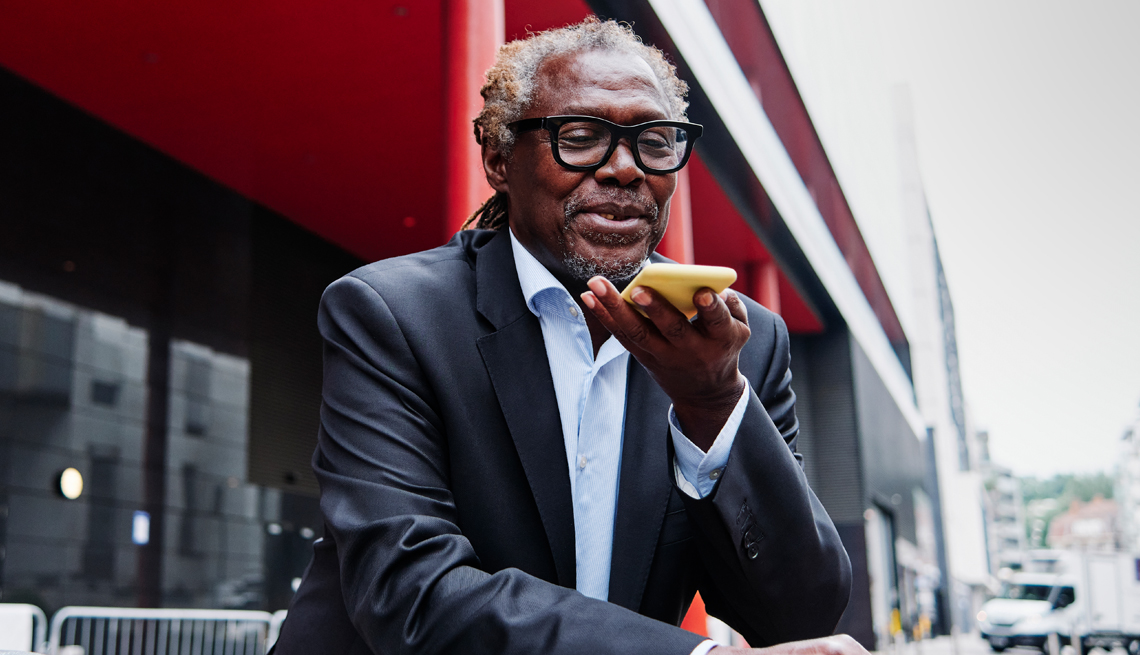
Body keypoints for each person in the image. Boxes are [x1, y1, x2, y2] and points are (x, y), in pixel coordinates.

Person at [275, 18, 862, 655]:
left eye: (654, 142)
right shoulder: (391, 314)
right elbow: (406, 589)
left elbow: (800, 614)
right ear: (499, 161)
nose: (624, 168)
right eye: (579, 138)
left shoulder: (739, 339)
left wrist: (712, 404)